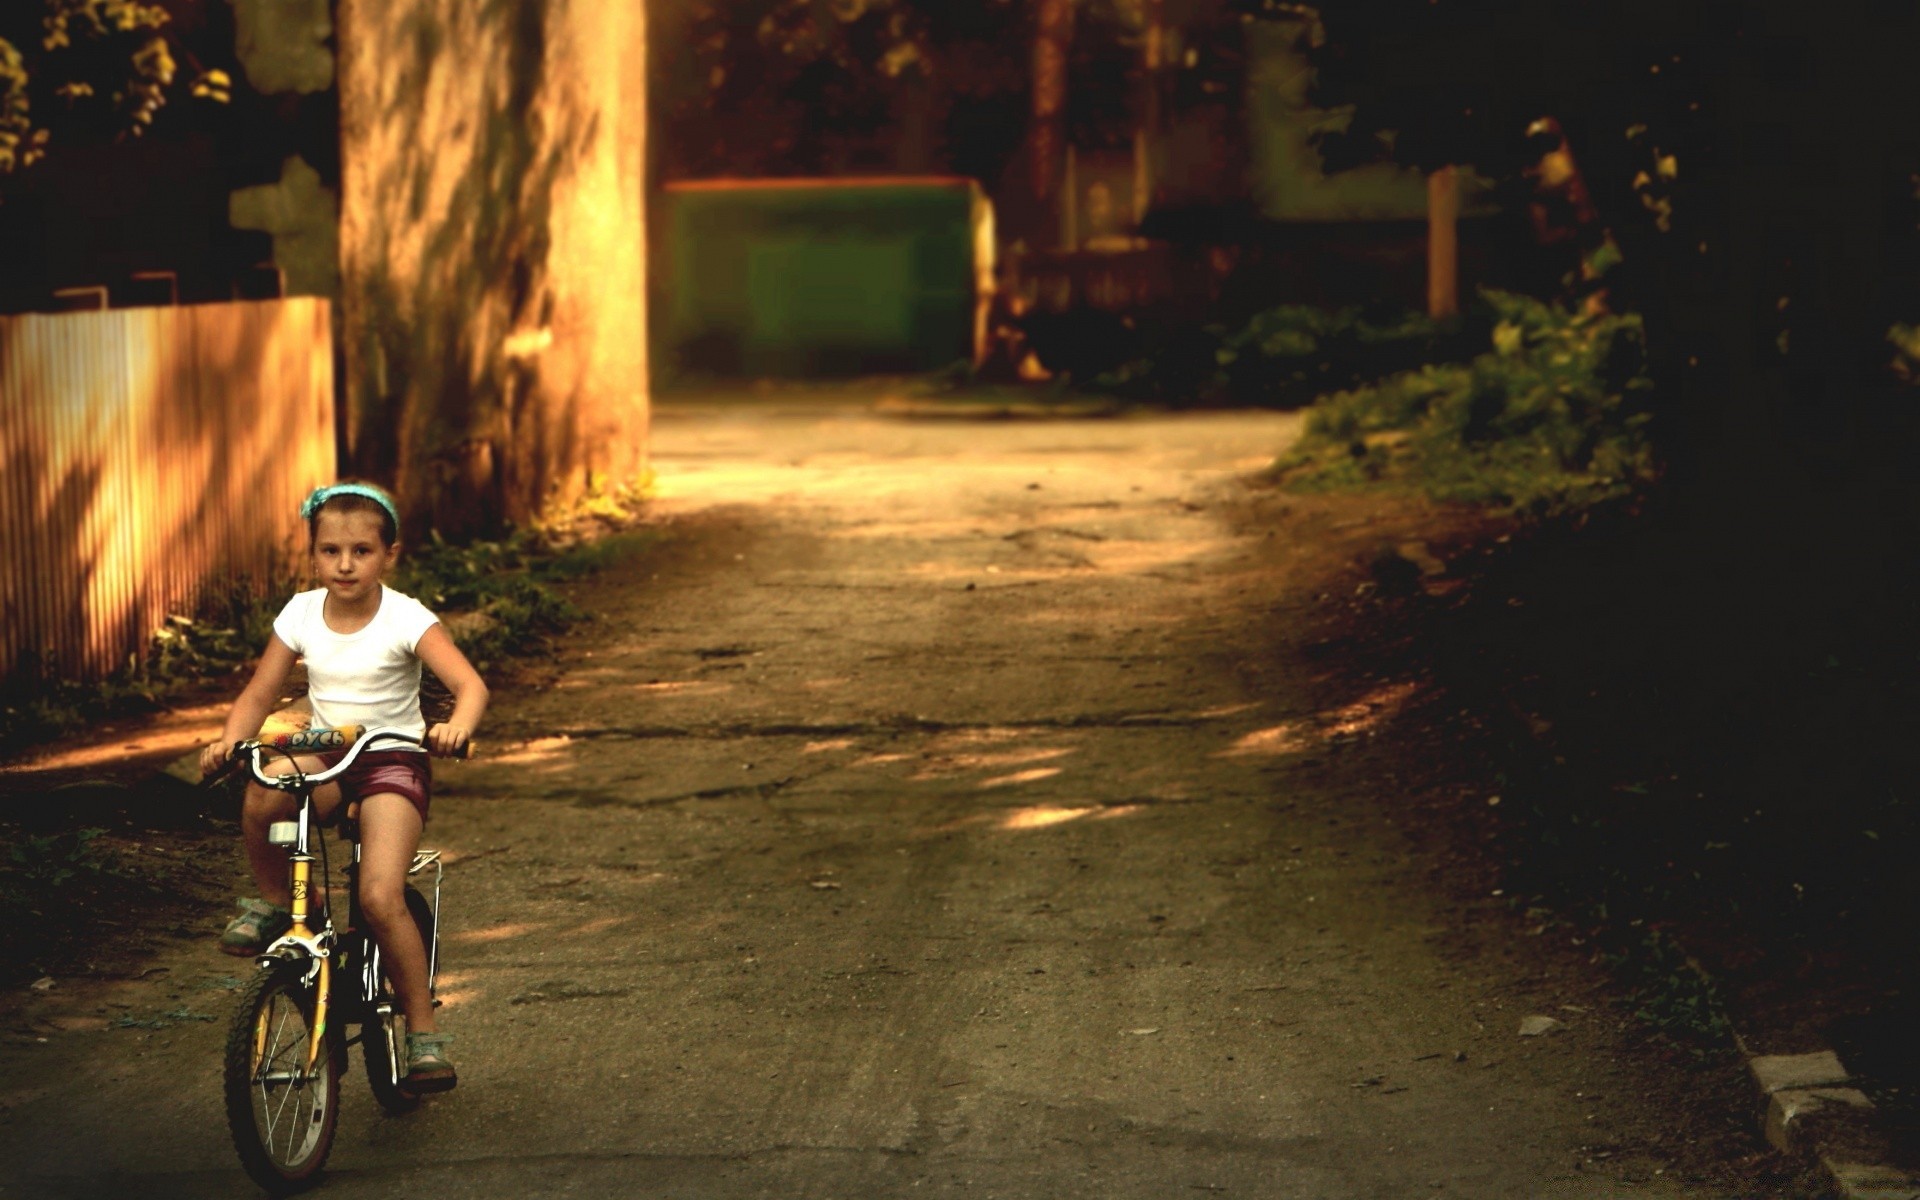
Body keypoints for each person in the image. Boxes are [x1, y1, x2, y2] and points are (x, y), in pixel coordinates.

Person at [199, 481, 489, 1093]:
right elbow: (258, 693)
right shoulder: (301, 613)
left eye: (361, 550)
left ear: (389, 555)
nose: (345, 564)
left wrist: (455, 728)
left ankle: (424, 1033)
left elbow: (470, 686)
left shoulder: (407, 617)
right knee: (263, 789)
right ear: (313, 555)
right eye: (330, 551)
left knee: (381, 896)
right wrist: (231, 741)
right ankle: (277, 901)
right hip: (329, 751)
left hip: (390, 759)